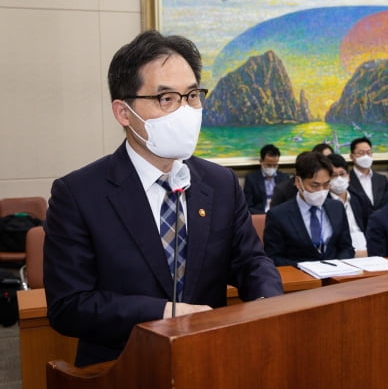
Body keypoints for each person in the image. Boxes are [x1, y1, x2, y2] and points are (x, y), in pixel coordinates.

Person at [43, 31, 283, 367]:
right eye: (166, 98)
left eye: (192, 96)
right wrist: (163, 313)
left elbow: (250, 262)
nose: (184, 111)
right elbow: (69, 306)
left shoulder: (221, 183)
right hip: (120, 371)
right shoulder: (78, 194)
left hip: (210, 362)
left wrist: (267, 303)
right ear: (124, 112)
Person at [263, 151, 354, 267]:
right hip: (301, 278)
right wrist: (306, 267)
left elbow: (347, 247)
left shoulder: (337, 207)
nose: (321, 190)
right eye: (314, 185)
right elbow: (273, 258)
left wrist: (338, 265)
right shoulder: (278, 215)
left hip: (336, 275)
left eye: (326, 184)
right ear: (298, 182)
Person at [326, 153, 373, 256]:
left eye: (342, 174)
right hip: (342, 252)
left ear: (348, 176)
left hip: (367, 248)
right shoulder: (324, 203)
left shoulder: (360, 198)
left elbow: (371, 226)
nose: (339, 179)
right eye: (333, 175)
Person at [243, 144, 289, 214]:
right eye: (269, 165)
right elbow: (248, 206)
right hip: (260, 214)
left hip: (279, 214)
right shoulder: (251, 179)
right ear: (261, 161)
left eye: (275, 165)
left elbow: (288, 203)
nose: (272, 168)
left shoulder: (284, 178)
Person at [348, 137, 388, 209]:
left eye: (368, 152)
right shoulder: (347, 180)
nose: (366, 156)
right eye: (361, 153)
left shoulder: (382, 179)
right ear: (352, 156)